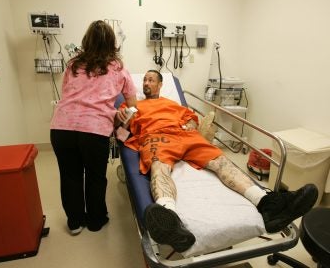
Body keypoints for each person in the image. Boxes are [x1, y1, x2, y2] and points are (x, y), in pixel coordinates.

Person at [118, 70, 318, 253]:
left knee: (220, 161)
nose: (146, 82)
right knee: (159, 166)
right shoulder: (133, 104)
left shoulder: (173, 104)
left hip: (185, 136)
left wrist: (190, 125)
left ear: (160, 85)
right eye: (144, 79)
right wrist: (121, 120)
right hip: (156, 137)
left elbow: (191, 119)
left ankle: (267, 203)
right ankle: (170, 220)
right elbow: (120, 131)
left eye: (151, 80)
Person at [50, 20, 137, 235]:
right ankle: (96, 220)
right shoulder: (118, 67)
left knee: (70, 175)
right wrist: (120, 115)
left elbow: (68, 95)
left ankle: (75, 222)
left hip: (62, 127)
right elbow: (133, 105)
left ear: (87, 40)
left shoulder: (73, 64)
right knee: (95, 176)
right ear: (112, 42)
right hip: (94, 129)